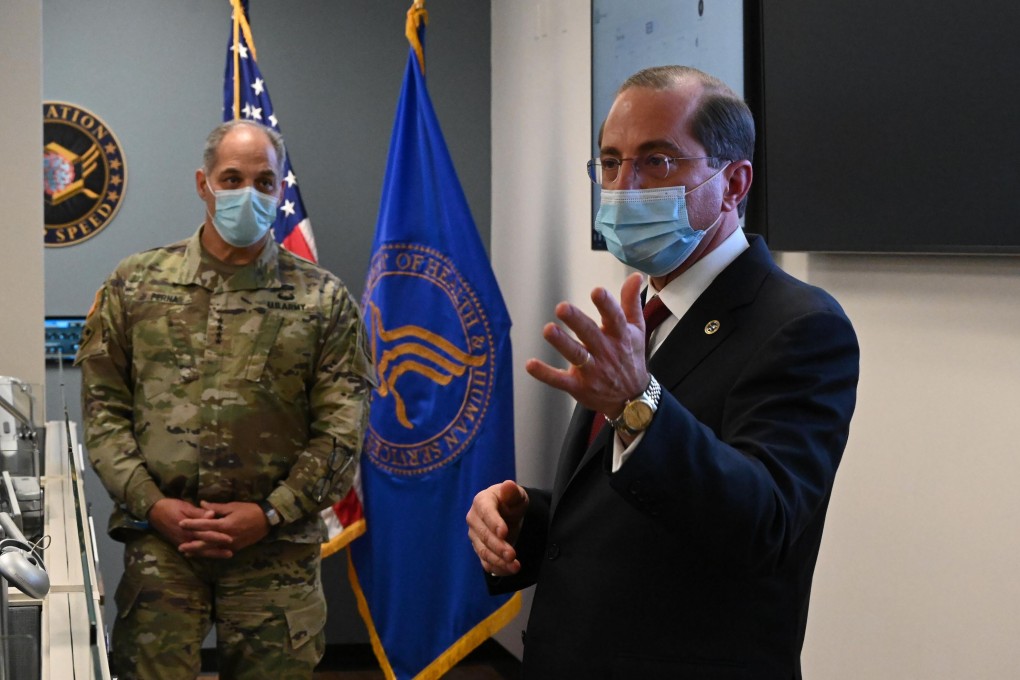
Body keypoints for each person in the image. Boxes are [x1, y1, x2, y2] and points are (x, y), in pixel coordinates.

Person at [466, 65, 860, 678]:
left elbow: (764, 525)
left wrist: (636, 402)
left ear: (733, 184)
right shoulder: (641, 312)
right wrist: (530, 521)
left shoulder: (800, 326)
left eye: (656, 161)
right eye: (611, 162)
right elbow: (628, 510)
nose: (624, 187)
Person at [75, 119, 375, 680]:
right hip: (164, 546)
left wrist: (270, 512)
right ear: (203, 183)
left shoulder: (324, 300)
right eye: (232, 178)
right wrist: (152, 504)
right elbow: (104, 413)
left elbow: (341, 432)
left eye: (264, 182)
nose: (248, 194)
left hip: (275, 552)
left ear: (280, 191)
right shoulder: (135, 284)